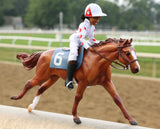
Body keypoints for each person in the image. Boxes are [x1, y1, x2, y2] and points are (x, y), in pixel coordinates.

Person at [65, 3, 107, 90]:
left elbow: (92, 40)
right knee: (73, 54)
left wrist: (101, 43)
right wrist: (89, 47)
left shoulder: (92, 27)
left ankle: (85, 77)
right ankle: (68, 80)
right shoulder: (83, 25)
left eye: (98, 18)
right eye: (96, 18)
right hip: (76, 41)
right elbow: (82, 39)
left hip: (83, 41)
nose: (97, 20)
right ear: (88, 17)